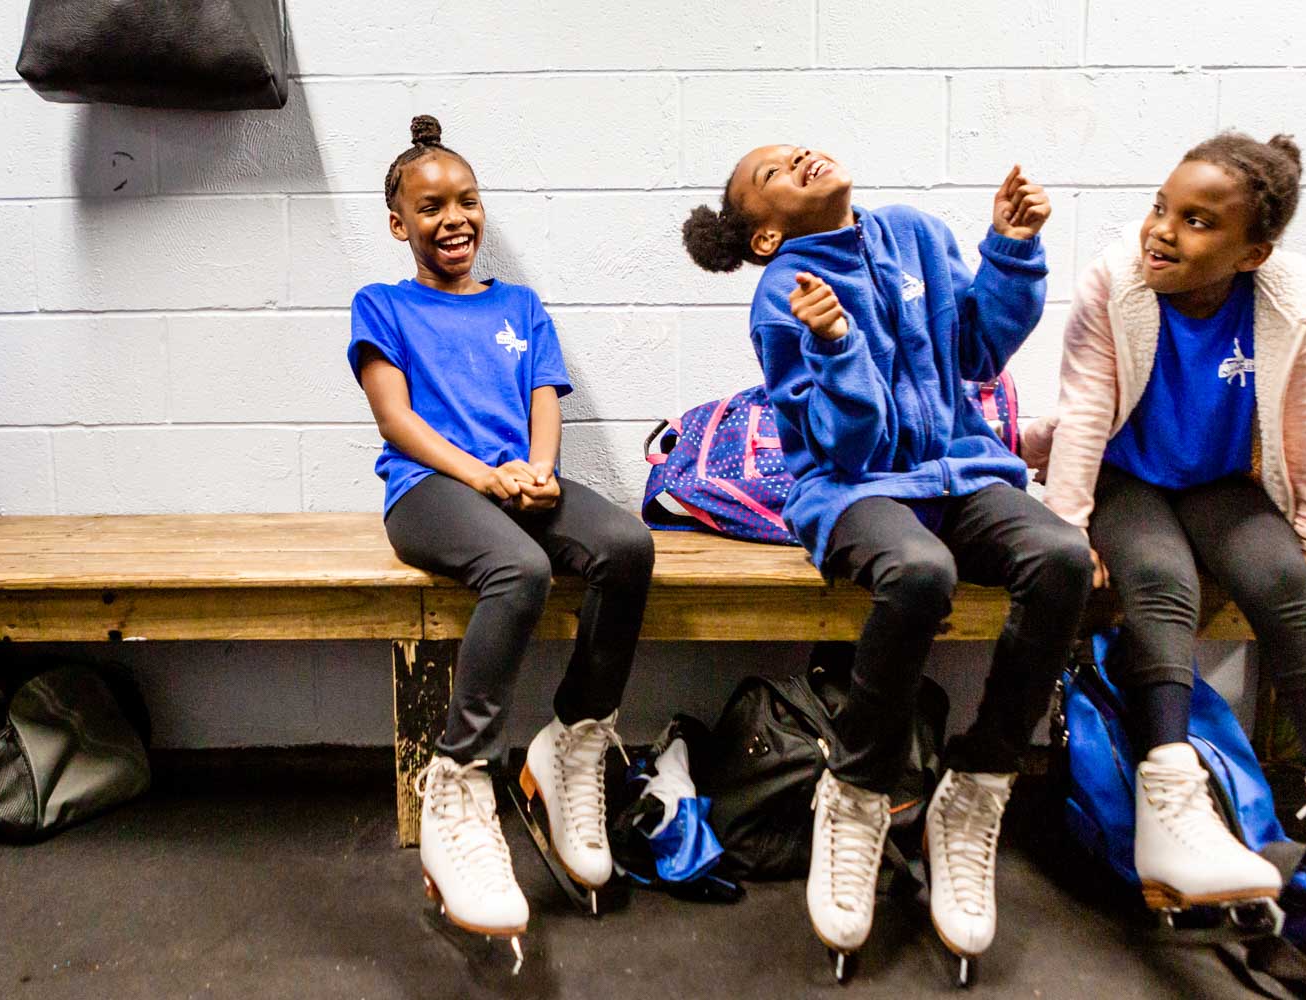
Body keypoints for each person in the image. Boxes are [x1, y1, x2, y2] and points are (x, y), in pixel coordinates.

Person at [684, 146, 1091, 970]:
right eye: (772, 174)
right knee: (920, 570)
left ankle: (976, 786)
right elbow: (846, 445)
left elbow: (978, 353)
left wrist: (1010, 250)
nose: (797, 156)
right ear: (765, 238)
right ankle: (858, 791)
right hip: (850, 488)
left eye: (794, 147)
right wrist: (836, 342)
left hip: (959, 470)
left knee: (1062, 557)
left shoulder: (914, 233)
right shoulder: (783, 295)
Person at [1022, 132, 1306, 923]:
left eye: (1199, 222)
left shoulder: (1283, 296)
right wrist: (1069, 529)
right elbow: (1084, 415)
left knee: (1284, 582)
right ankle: (1169, 801)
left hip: (1219, 480)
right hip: (1126, 475)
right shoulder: (1116, 283)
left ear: (1253, 253)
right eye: (1161, 208)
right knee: (1160, 580)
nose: (1163, 231)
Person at [348, 115, 655, 940]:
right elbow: (396, 420)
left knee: (626, 546)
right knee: (521, 570)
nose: (454, 219)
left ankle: (574, 738)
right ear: (399, 224)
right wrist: (484, 477)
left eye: (468, 201)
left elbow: (542, 401)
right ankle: (459, 777)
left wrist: (541, 470)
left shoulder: (518, 304)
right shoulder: (383, 305)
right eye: (431, 207)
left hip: (520, 481)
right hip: (431, 491)